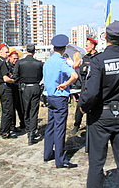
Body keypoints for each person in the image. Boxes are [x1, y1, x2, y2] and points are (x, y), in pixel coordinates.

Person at [78, 20, 119, 188]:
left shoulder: (98, 60)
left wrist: (83, 106)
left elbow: (92, 92)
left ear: (105, 37)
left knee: (96, 163)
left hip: (101, 117)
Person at [43, 34, 79, 168]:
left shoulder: (48, 62)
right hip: (60, 98)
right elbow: (74, 75)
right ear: (64, 48)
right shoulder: (61, 62)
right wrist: (66, 84)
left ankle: (47, 154)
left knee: (50, 126)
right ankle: (60, 160)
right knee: (60, 128)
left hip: (50, 96)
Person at [13, 44, 43, 145]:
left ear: (26, 51)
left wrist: (20, 81)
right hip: (35, 87)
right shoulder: (39, 63)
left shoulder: (20, 63)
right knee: (34, 111)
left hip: (24, 88)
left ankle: (28, 129)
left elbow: (15, 76)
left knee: (25, 110)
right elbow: (42, 76)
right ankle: (32, 133)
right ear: (34, 52)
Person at [71, 37, 98, 134]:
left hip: (94, 86)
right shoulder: (85, 58)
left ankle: (92, 125)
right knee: (80, 106)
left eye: (87, 46)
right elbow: (81, 72)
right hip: (85, 85)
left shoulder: (98, 57)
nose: (86, 48)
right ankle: (76, 125)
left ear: (93, 45)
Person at [0, 43, 17, 139]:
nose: (8, 54)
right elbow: (5, 78)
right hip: (5, 87)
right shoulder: (2, 62)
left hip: (2, 87)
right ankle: (5, 132)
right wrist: (14, 81)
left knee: (6, 110)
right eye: (6, 52)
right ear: (0, 52)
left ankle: (4, 130)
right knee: (8, 111)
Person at [8, 50, 25, 132]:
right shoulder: (7, 66)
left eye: (17, 59)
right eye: (14, 58)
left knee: (20, 107)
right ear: (10, 58)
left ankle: (23, 123)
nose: (15, 60)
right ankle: (12, 125)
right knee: (12, 108)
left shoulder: (18, 65)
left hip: (18, 88)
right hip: (10, 89)